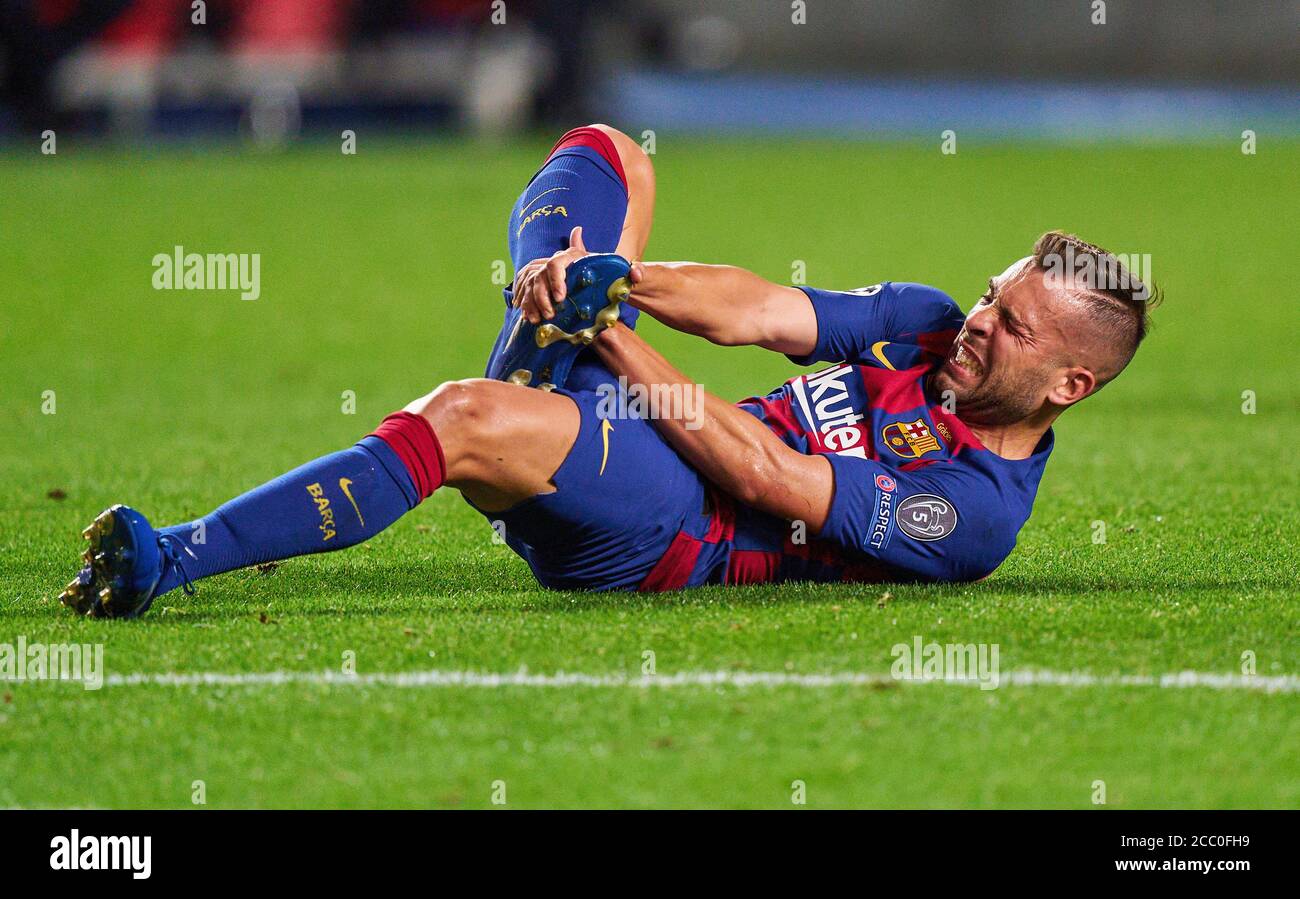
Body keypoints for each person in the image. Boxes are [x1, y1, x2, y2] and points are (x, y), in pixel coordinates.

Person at [59, 125, 1158, 618]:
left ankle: (174, 559)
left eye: (1008, 329)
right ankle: (552, 286)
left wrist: (611, 339)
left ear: (1070, 385)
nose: (973, 323)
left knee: (470, 416)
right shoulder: (920, 326)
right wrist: (611, 279)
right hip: (653, 429)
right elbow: (758, 308)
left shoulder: (971, 515)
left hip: (673, 531)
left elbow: (772, 479)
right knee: (611, 155)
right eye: (988, 295)